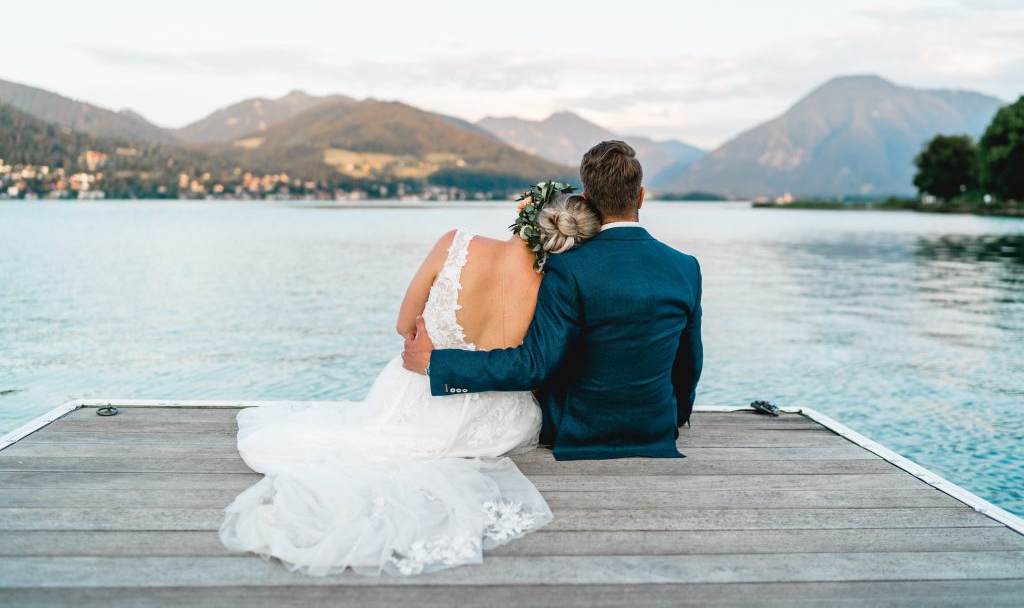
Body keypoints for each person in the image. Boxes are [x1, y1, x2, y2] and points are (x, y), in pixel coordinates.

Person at [219, 186, 602, 577]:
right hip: (499, 426)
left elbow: (405, 326)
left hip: (414, 402)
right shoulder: (554, 286)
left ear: (526, 211)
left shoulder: (456, 243)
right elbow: (535, 369)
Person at [403, 140, 703, 461]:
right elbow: (688, 365)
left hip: (578, 433)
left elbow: (535, 365)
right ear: (641, 196)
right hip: (656, 430)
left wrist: (438, 364)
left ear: (586, 199)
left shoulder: (569, 266)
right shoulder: (686, 267)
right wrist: (675, 415)